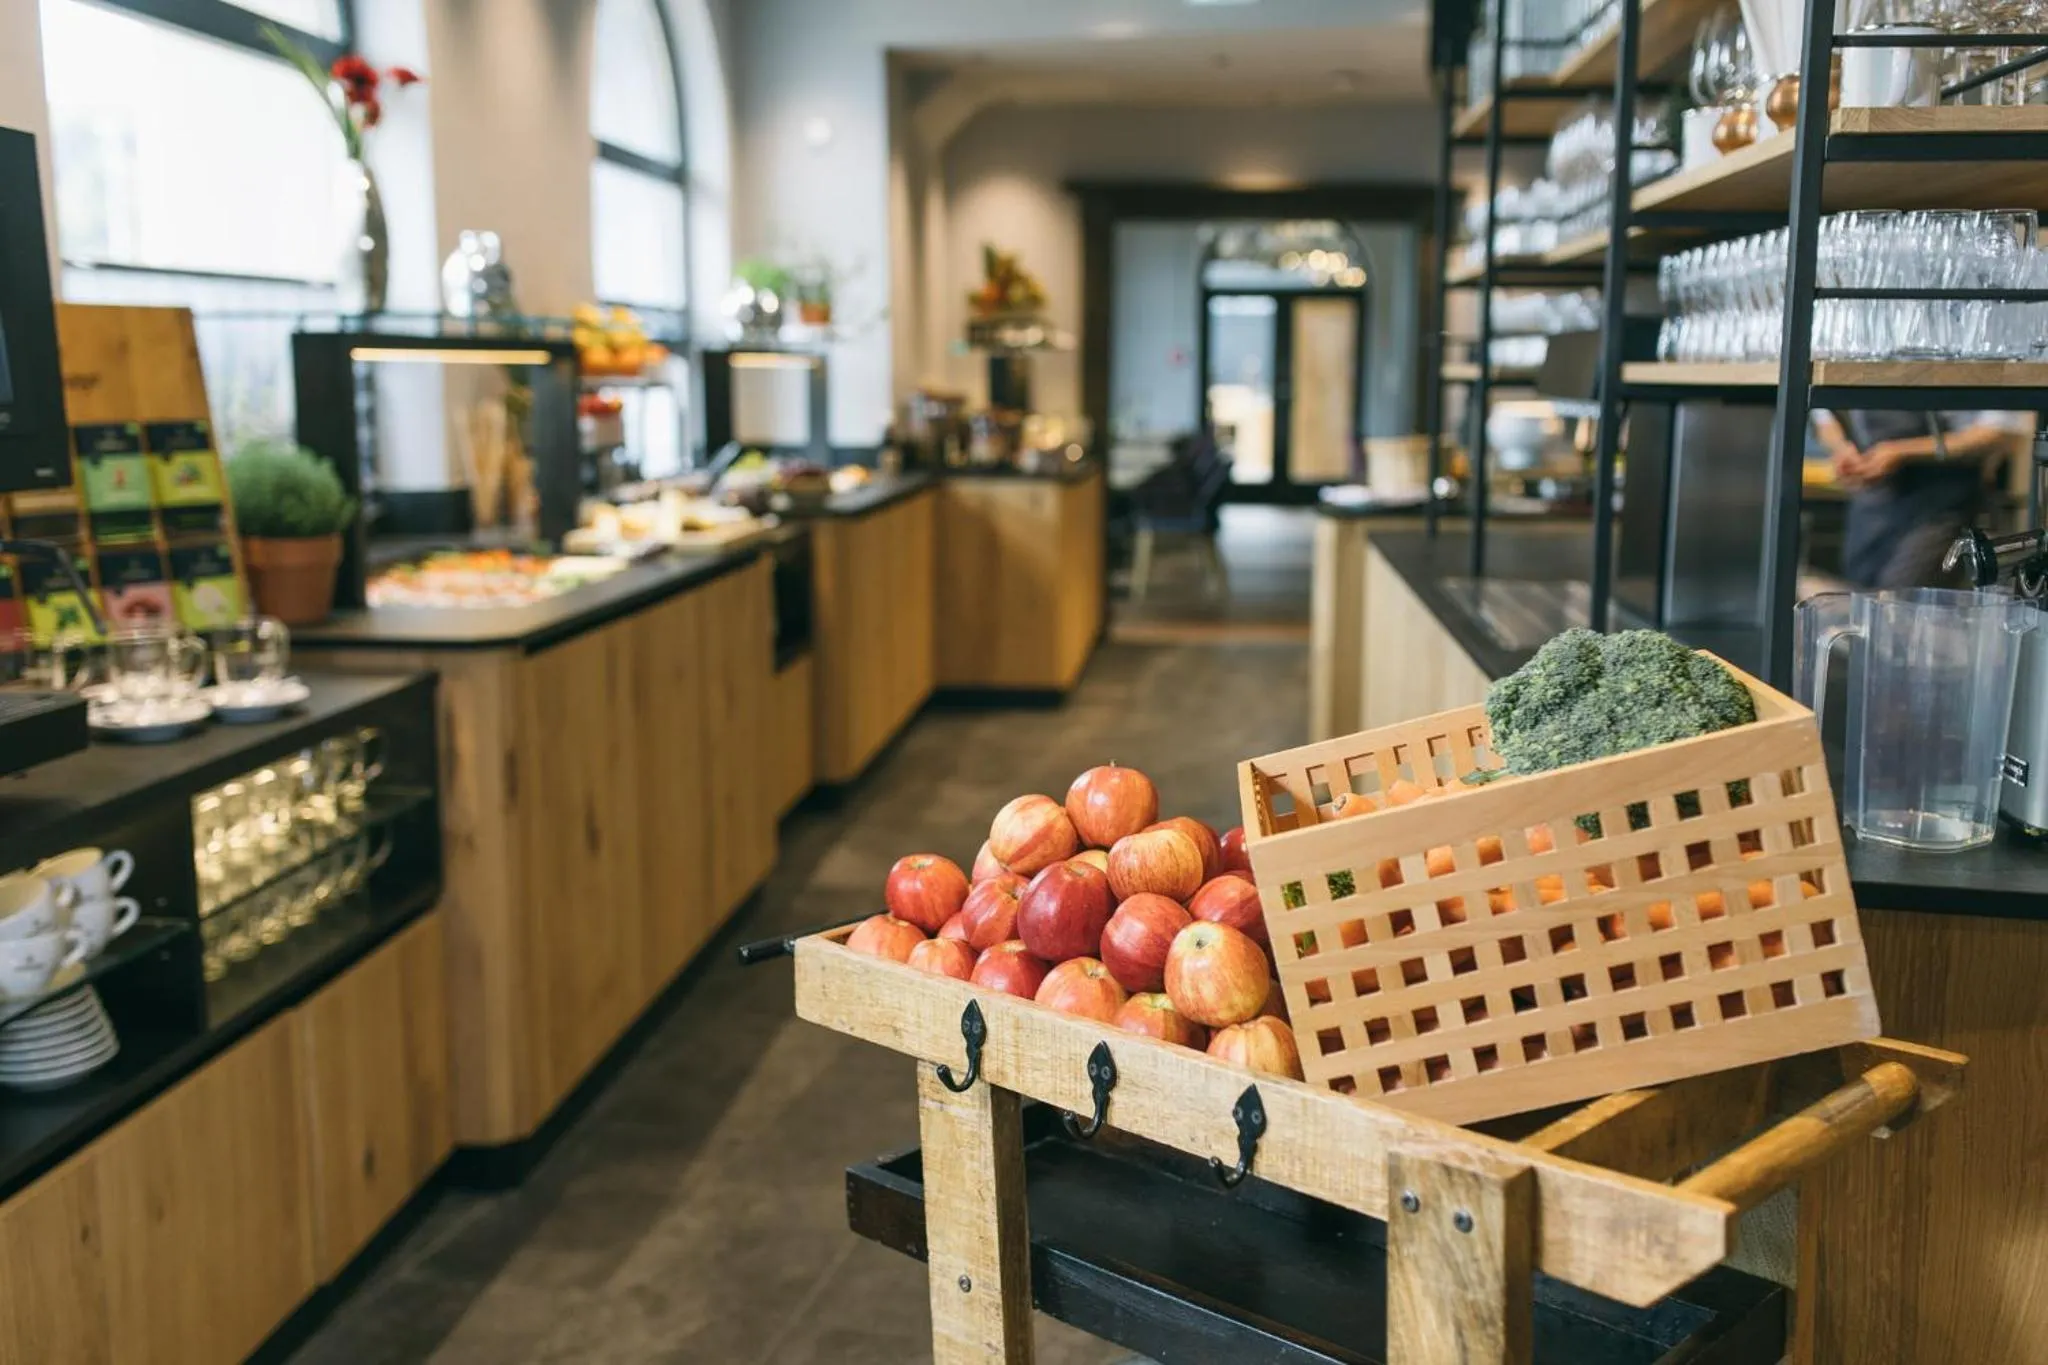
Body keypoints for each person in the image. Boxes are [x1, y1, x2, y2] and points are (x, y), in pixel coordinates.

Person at [1814, 409, 2026, 588]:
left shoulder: (1977, 364)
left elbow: (2001, 432)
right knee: (1859, 606)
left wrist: (1899, 452)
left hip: (1940, 504)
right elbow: (1825, 415)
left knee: (1903, 607)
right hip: (1872, 504)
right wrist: (1842, 449)